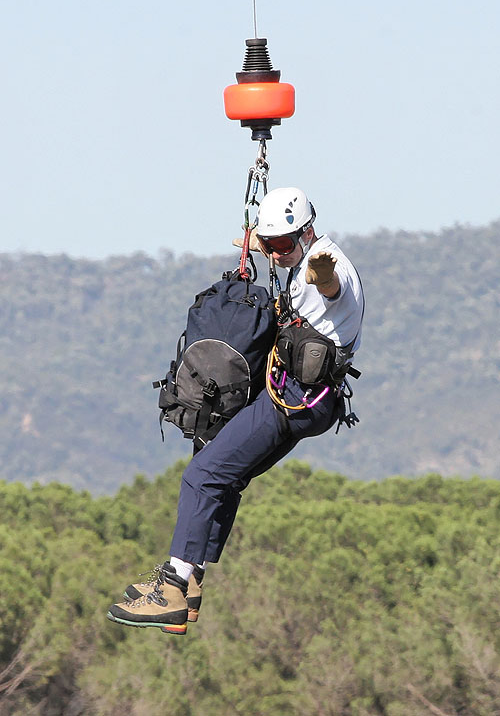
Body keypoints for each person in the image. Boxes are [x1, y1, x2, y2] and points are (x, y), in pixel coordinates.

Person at [107, 187, 364, 635]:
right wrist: (263, 245)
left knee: (203, 473)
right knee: (226, 474)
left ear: (307, 233)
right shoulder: (298, 255)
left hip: (296, 399)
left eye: (284, 245)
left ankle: (170, 586)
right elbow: (289, 260)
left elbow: (331, 287)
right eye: (272, 246)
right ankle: (191, 586)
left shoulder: (326, 266)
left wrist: (323, 276)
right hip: (311, 401)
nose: (278, 254)